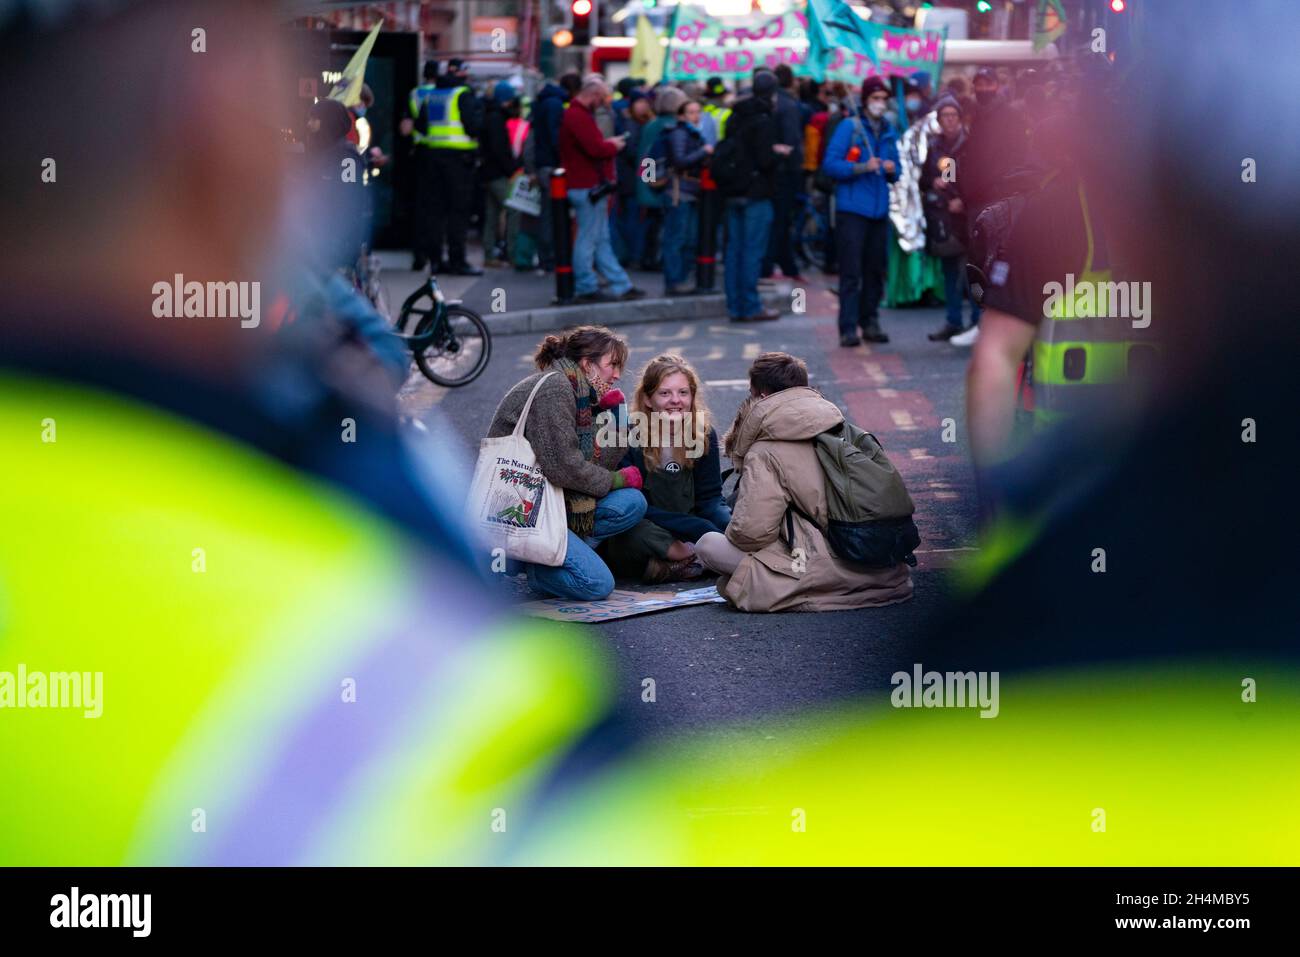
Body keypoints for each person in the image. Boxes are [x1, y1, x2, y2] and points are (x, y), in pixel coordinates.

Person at [695, 353, 914, 611]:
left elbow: (751, 534)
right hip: (884, 563)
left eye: (750, 394)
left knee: (708, 544)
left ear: (761, 397)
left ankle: (812, 585)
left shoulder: (766, 450)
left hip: (818, 565)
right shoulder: (845, 430)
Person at [485, 326, 647, 601]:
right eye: (612, 365)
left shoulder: (582, 394)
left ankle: (552, 555)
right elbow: (564, 468)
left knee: (632, 502)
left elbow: (597, 461)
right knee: (597, 585)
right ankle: (536, 567)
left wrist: (618, 415)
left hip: (554, 499)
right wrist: (617, 480)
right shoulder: (556, 388)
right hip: (526, 508)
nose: (618, 375)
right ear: (587, 364)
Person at [605, 355, 730, 584]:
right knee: (629, 534)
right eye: (664, 393)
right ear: (648, 399)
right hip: (651, 527)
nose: (676, 400)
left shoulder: (702, 434)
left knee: (737, 516)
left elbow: (710, 498)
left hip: (690, 526)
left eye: (683, 392)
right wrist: (699, 530)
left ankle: (671, 566)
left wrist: (729, 528)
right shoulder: (629, 436)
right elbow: (635, 507)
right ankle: (685, 558)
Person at [821, 77, 900, 346]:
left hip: (879, 211)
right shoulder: (849, 127)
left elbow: (897, 168)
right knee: (851, 272)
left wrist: (892, 169)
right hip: (852, 210)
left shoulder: (889, 129)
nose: (880, 103)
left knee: (875, 271)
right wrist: (862, 167)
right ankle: (848, 327)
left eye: (883, 99)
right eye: (875, 98)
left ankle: (870, 321)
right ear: (865, 100)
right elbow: (831, 164)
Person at [560, 76, 646, 303]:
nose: (604, 102)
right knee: (589, 239)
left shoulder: (576, 114)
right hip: (587, 185)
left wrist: (608, 144)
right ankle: (586, 286)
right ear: (594, 94)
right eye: (602, 97)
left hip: (587, 184)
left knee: (599, 238)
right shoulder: (578, 116)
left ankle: (620, 284)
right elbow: (595, 149)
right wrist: (613, 145)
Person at [405, 59, 484, 276]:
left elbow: (420, 125)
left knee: (435, 211)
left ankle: (436, 261)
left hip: (431, 158)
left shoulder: (432, 95)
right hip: (458, 160)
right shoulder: (462, 94)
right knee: (458, 211)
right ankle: (457, 261)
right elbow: (474, 126)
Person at [721, 71, 785, 323]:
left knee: (733, 251)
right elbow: (765, 160)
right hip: (756, 192)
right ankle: (750, 306)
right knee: (752, 252)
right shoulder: (764, 120)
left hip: (732, 190)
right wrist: (778, 153)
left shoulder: (735, 116)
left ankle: (735, 305)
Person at [923, 93, 982, 344]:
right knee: (949, 271)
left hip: (967, 216)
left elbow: (979, 178)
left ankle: (977, 322)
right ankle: (953, 320)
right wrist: (933, 182)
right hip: (943, 217)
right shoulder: (935, 145)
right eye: (944, 115)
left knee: (971, 271)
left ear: (960, 117)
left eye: (953, 115)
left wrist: (964, 200)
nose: (949, 120)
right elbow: (924, 179)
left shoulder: (970, 144)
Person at [663, 98, 712, 296]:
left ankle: (682, 280)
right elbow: (680, 160)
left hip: (691, 191)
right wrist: (703, 152)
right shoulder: (679, 133)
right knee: (677, 238)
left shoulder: (693, 134)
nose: (696, 116)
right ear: (681, 116)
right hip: (679, 191)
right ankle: (674, 282)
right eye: (691, 112)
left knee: (690, 239)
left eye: (698, 112)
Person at [636, 86, 688, 273]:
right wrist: (653, 181)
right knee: (666, 226)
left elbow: (646, 155)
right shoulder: (672, 125)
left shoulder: (651, 125)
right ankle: (658, 259)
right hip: (666, 183)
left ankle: (648, 257)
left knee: (653, 223)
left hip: (650, 179)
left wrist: (648, 179)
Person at [762, 64, 806, 283]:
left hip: (770, 169)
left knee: (777, 220)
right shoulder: (788, 106)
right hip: (784, 171)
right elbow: (791, 141)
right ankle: (770, 265)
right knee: (780, 220)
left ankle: (784, 264)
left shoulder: (774, 103)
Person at [530, 73, 577, 272]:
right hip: (552, 165)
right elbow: (555, 137)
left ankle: (548, 256)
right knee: (552, 213)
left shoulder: (544, 102)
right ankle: (550, 257)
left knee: (548, 212)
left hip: (543, 164)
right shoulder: (555, 105)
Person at [479, 81, 522, 268]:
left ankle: (489, 255)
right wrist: (512, 170)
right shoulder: (497, 119)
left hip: (487, 172)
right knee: (513, 209)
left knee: (492, 214)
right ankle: (513, 254)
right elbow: (500, 149)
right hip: (497, 174)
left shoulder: (488, 115)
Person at [613, 90, 653, 267]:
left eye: (646, 102)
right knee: (632, 217)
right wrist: (649, 177)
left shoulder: (640, 122)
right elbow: (638, 153)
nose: (643, 105)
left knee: (632, 217)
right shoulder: (632, 123)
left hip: (633, 177)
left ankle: (630, 254)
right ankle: (632, 254)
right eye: (640, 102)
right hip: (631, 178)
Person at [700, 76, 731, 146]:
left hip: (706, 148)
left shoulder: (700, 111)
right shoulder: (728, 112)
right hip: (723, 147)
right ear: (723, 96)